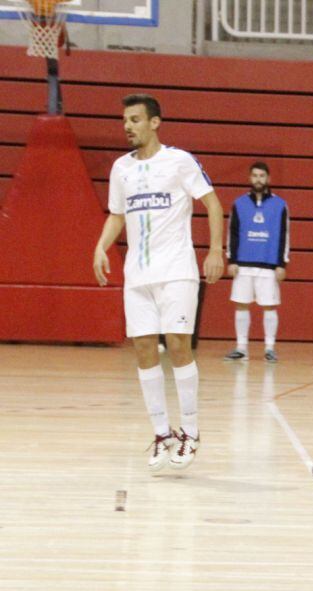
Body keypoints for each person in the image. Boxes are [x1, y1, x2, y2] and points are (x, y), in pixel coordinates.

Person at [93, 93, 224, 473]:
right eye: (125, 121)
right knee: (145, 349)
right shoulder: (121, 168)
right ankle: (162, 433)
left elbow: (213, 203)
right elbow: (117, 215)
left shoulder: (179, 161)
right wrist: (101, 247)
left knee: (179, 345)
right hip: (138, 275)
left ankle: (191, 432)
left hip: (177, 271)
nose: (128, 127)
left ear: (154, 122)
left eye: (135, 119)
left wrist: (215, 251)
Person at [223, 161, 289, 364]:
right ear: (249, 178)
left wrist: (282, 264)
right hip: (243, 263)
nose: (258, 179)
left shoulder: (280, 205)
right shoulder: (239, 203)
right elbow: (232, 233)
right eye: (255, 176)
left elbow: (284, 235)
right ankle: (241, 348)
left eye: (262, 176)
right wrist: (231, 259)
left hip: (269, 264)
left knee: (269, 306)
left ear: (268, 178)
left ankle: (269, 348)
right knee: (241, 305)